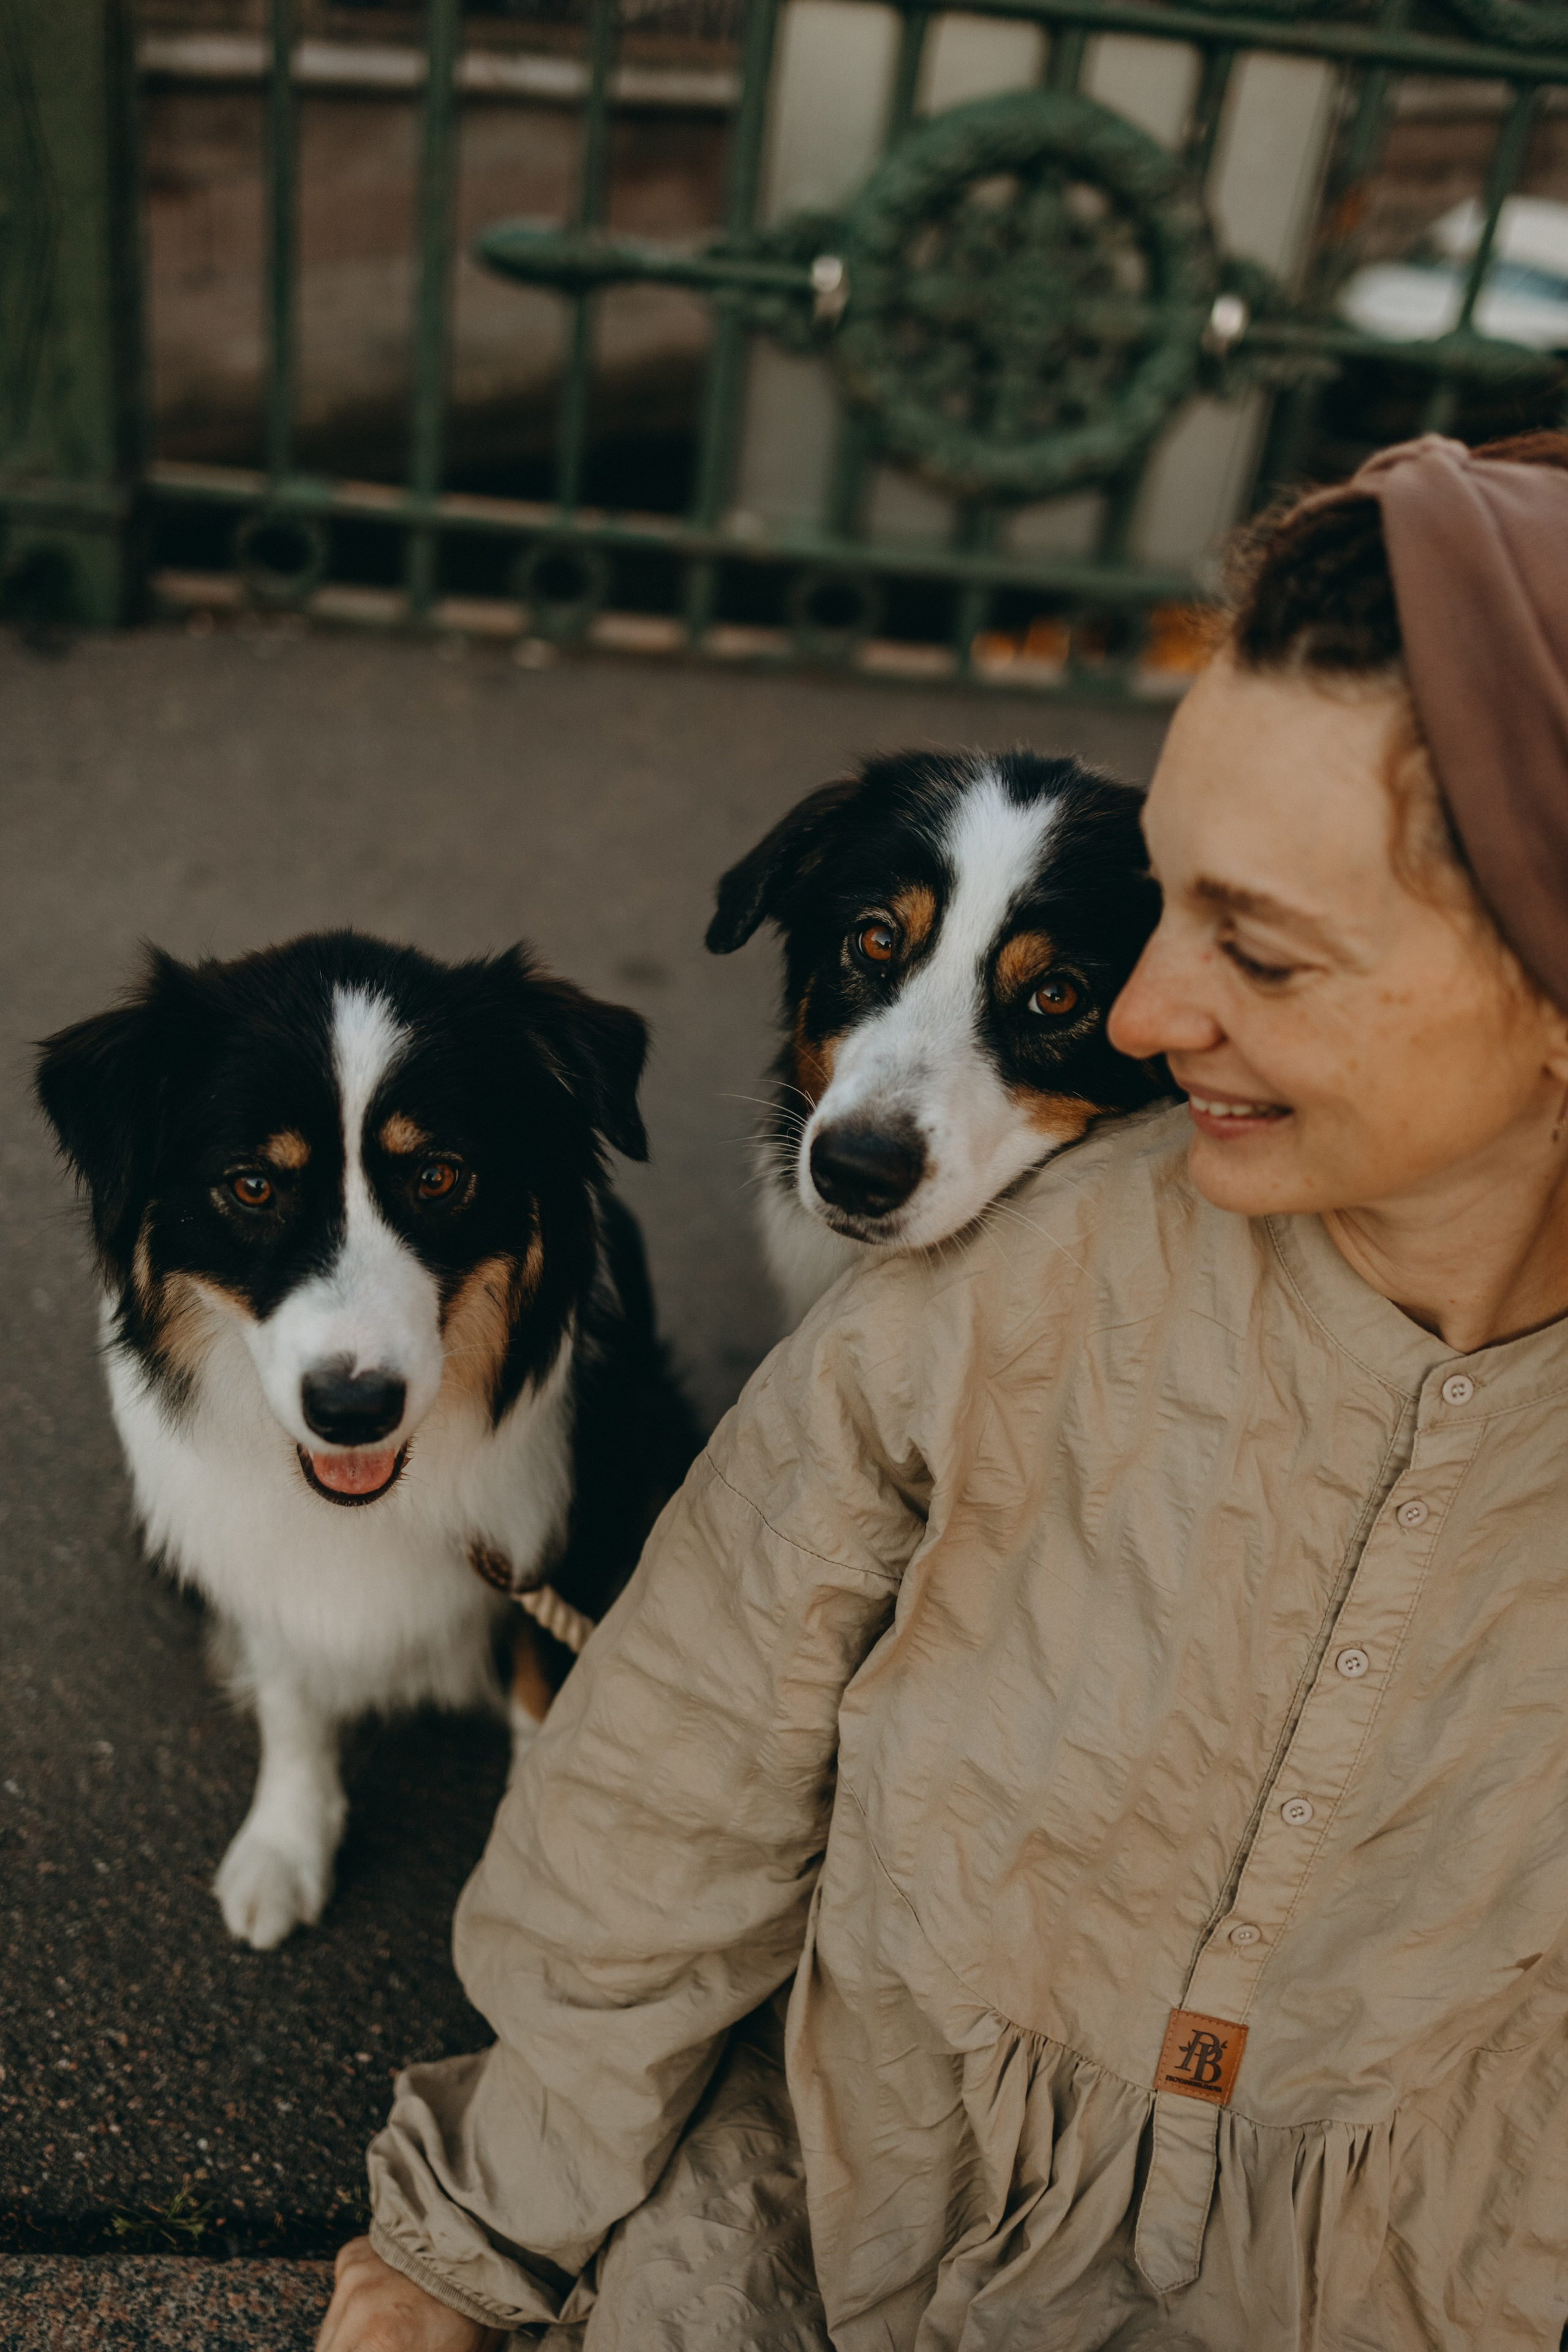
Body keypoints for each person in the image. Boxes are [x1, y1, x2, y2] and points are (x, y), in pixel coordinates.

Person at [318, 433, 1568, 2352]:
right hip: (837, 2211)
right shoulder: (988, 1305)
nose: (1143, 1016)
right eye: (1170, 913)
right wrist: (457, 2242)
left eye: (1258, 945)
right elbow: (679, 1784)